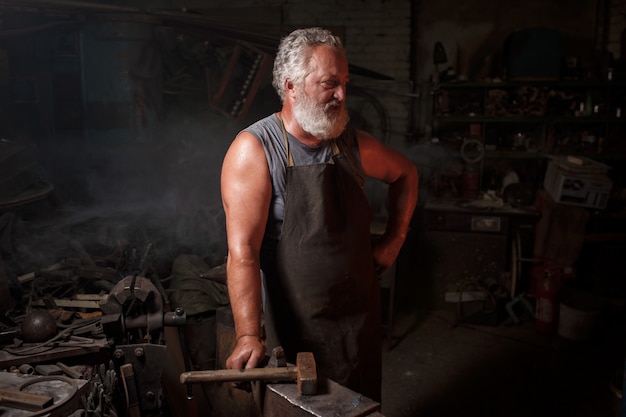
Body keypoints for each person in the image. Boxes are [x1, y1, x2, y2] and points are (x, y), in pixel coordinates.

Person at [220, 27, 418, 401]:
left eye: (344, 83)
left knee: (359, 405)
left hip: (356, 322)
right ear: (291, 85)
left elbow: (406, 173)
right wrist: (248, 334)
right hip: (295, 327)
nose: (342, 95)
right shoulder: (256, 150)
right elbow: (242, 250)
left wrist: (395, 239)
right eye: (330, 83)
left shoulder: (351, 145)